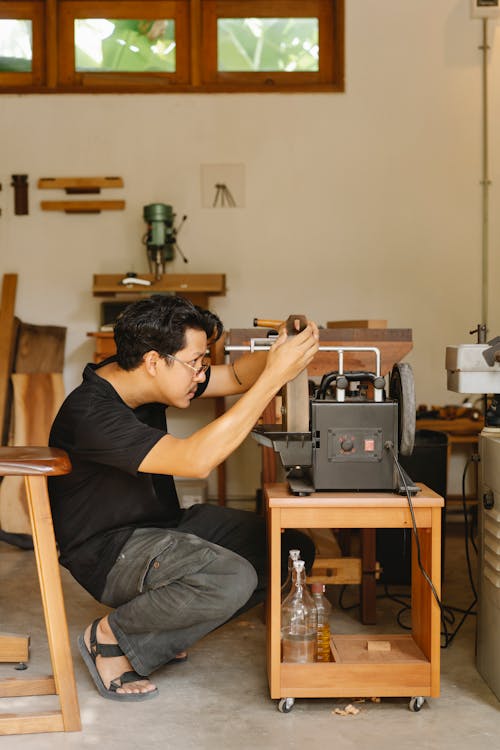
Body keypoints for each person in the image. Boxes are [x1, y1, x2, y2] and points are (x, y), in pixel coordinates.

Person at [48, 295, 319, 702]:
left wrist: (280, 352)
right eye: (196, 362)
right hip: (109, 552)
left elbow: (237, 378)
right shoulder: (92, 412)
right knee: (231, 577)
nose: (201, 373)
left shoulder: (143, 376)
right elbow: (196, 460)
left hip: (161, 527)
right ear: (155, 361)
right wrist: (274, 380)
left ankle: (162, 633)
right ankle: (109, 637)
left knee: (288, 548)